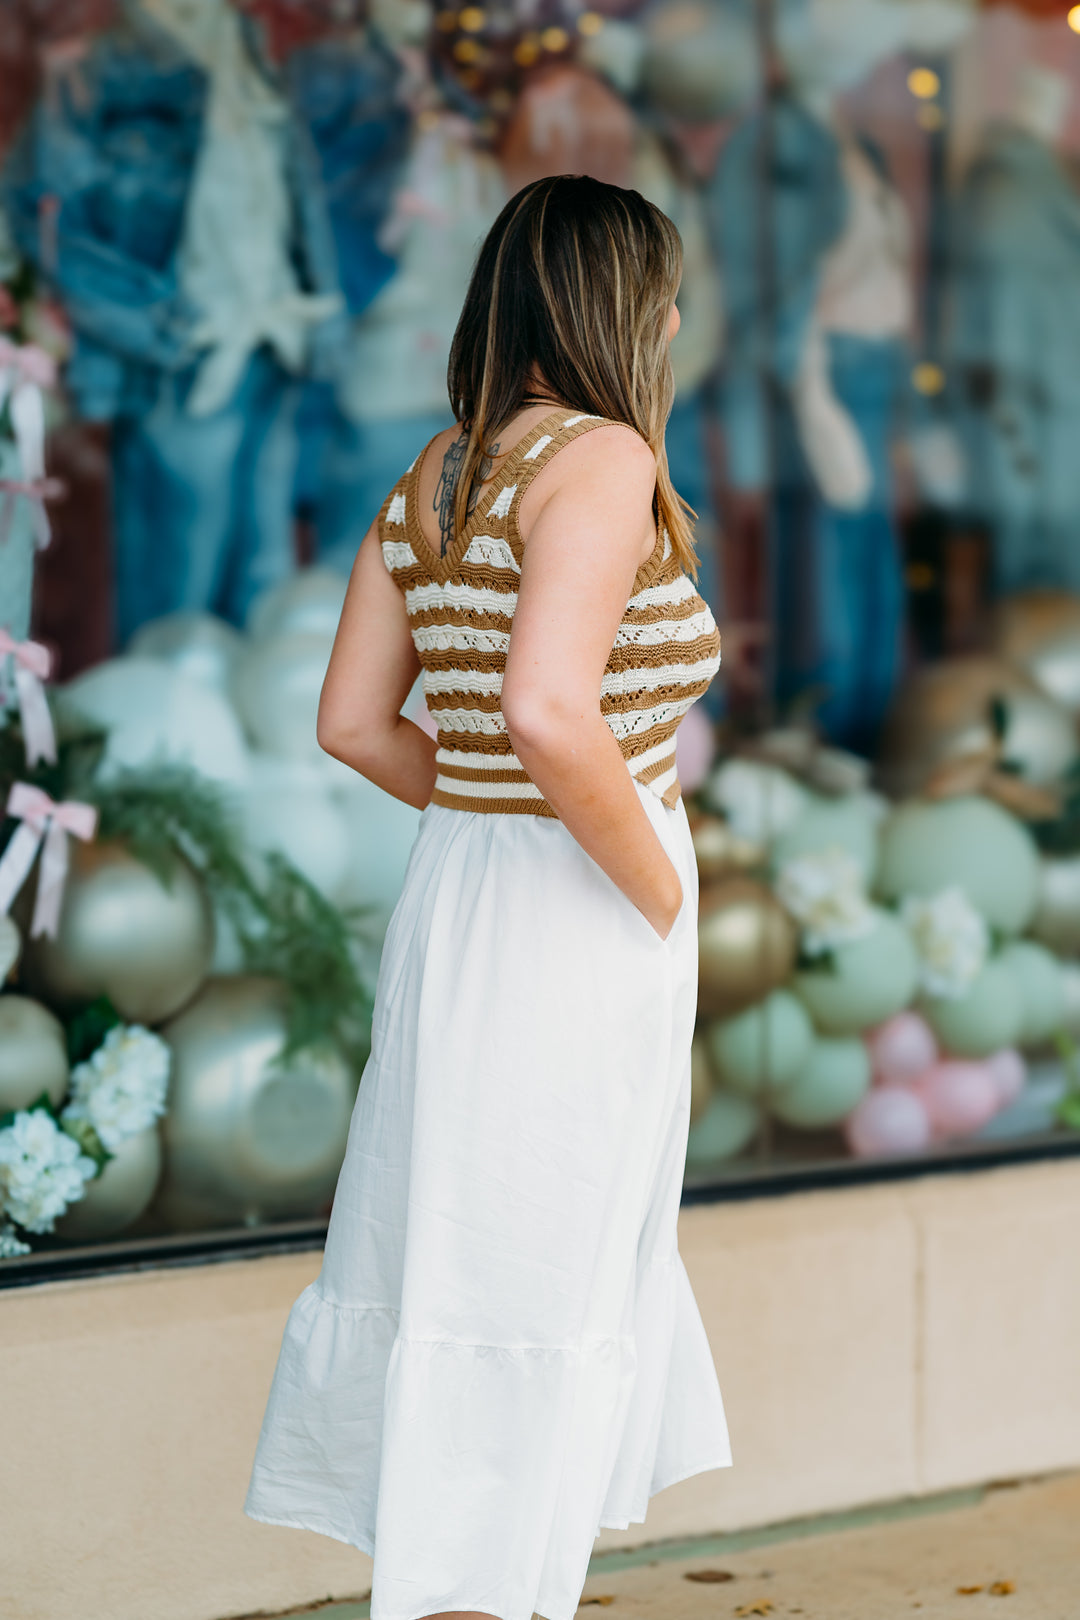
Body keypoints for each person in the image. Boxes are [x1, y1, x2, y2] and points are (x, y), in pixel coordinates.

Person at [244, 173, 732, 1620]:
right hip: (577, 909)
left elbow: (352, 723)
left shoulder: (439, 469)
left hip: (469, 893)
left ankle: (464, 1591)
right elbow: (547, 709)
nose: (676, 325)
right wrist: (655, 886)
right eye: (665, 299)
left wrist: (487, 812)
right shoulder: (602, 459)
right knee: (542, 1263)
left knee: (469, 1250)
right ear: (623, 310)